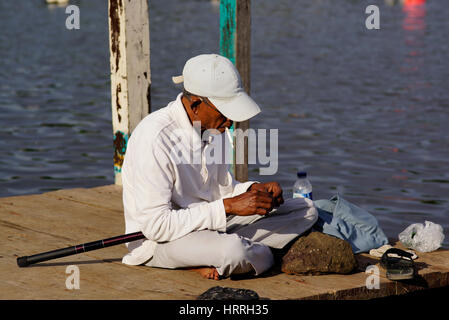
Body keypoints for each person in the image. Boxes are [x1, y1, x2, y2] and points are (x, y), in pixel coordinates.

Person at [121, 53, 318, 280]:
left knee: (305, 209)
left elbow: (223, 190)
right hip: (160, 240)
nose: (231, 122)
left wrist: (251, 191)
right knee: (235, 252)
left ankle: (238, 253)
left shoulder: (217, 129)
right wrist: (228, 206)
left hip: (211, 225)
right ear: (196, 104)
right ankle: (249, 252)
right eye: (225, 112)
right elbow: (156, 226)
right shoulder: (155, 138)